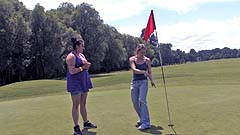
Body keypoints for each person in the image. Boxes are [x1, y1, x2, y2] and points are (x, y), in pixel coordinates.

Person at [66, 35, 97, 135]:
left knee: (83, 103)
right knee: (76, 104)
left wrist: (86, 66)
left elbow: (84, 67)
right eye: (82, 46)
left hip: (84, 81)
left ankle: (86, 122)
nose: (83, 48)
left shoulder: (82, 55)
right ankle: (76, 127)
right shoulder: (71, 57)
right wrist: (83, 68)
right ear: (77, 46)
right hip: (75, 83)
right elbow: (72, 71)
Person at [129, 44, 156, 130]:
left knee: (142, 100)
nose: (143, 55)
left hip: (143, 82)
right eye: (141, 53)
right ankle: (142, 118)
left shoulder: (147, 60)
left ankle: (146, 122)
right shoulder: (132, 59)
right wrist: (143, 72)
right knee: (135, 102)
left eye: (144, 53)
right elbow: (134, 70)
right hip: (134, 82)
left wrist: (152, 81)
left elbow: (150, 72)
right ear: (137, 51)